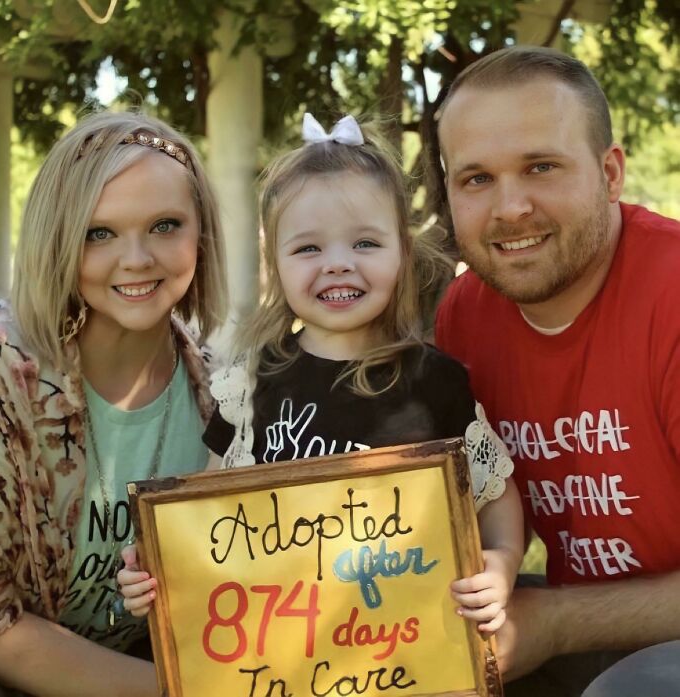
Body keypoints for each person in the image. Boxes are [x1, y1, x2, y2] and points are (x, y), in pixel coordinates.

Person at [118, 113, 524, 640]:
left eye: (365, 244)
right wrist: (154, 562)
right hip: (283, 650)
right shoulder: (253, 382)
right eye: (309, 248)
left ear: (402, 251)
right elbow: (204, 510)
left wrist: (501, 564)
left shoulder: (436, 382)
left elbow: (496, 494)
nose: (337, 264)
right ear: (277, 262)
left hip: (399, 647)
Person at [433, 45, 680, 696]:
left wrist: (556, 623)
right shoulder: (464, 317)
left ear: (611, 172)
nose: (510, 208)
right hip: (596, 633)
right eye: (477, 178)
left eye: (540, 166)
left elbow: (555, 624)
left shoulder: (672, 293)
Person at [0, 111, 227, 697]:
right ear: (58, 240)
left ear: (202, 234)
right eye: (100, 233)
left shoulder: (224, 394)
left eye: (166, 225)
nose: (137, 258)